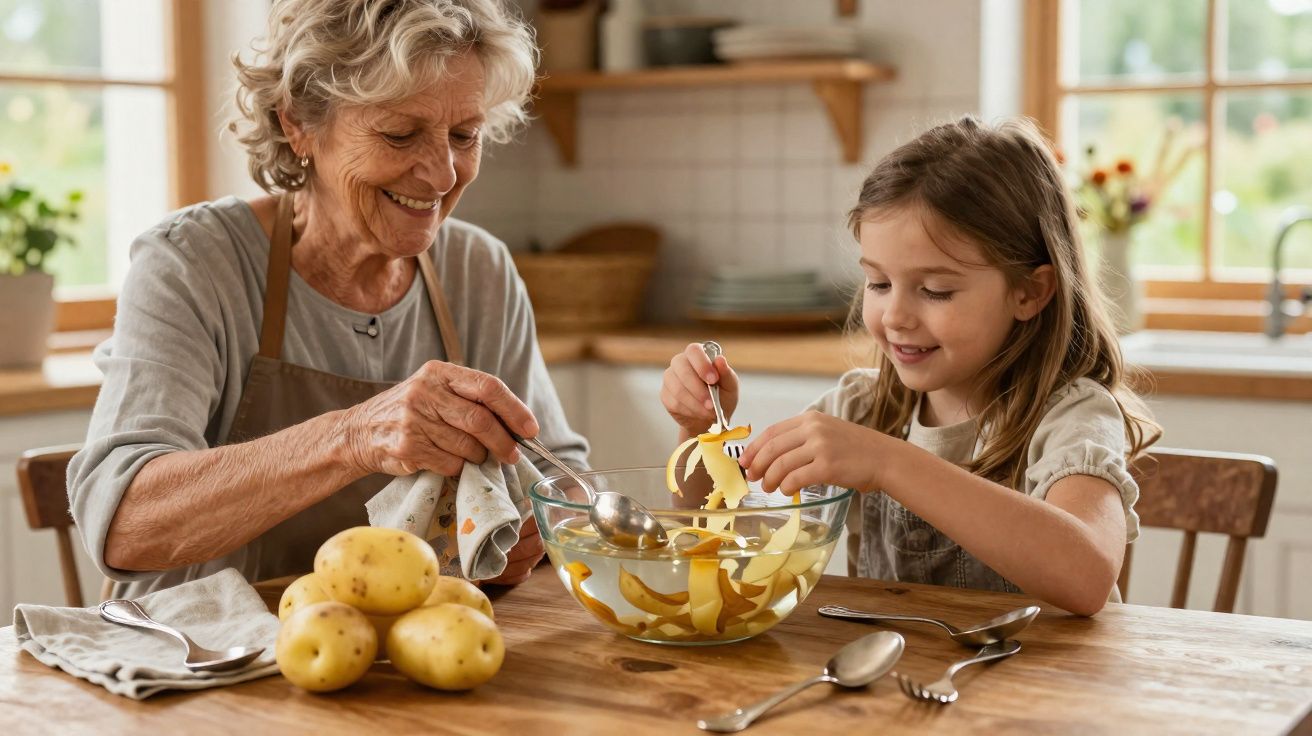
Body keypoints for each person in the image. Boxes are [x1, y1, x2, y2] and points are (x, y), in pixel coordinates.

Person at [68, 0, 587, 598]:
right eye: (400, 134)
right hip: (202, 663)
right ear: (299, 126)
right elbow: (124, 524)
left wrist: (541, 526)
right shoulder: (193, 263)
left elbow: (561, 477)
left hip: (406, 651)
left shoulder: (479, 270)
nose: (444, 175)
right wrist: (355, 436)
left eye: (464, 135)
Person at [661, 116, 1159, 616]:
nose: (895, 316)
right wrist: (701, 432)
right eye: (879, 284)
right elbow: (726, 538)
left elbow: (1087, 574)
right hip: (893, 681)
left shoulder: (1071, 417)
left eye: (935, 290)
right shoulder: (860, 407)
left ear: (1028, 291)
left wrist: (888, 463)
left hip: (1042, 692)